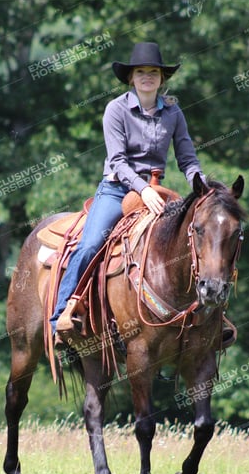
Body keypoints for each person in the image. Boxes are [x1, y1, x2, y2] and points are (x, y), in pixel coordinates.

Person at [51, 42, 205, 340]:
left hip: (157, 191)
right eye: (141, 72)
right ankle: (61, 315)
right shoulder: (116, 110)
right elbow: (118, 161)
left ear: (162, 78)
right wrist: (142, 189)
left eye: (154, 72)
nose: (147, 76)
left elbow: (187, 158)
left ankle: (204, 320)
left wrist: (202, 186)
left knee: (196, 238)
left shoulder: (174, 113)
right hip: (117, 190)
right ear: (131, 78)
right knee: (91, 242)